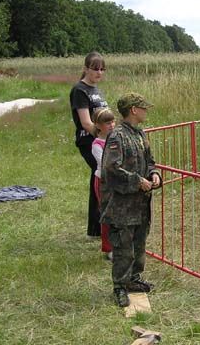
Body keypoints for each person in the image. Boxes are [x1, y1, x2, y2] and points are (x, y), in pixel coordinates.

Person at [100, 93, 161, 308]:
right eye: (143, 108)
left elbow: (150, 161)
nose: (146, 111)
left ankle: (134, 278)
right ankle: (119, 286)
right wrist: (137, 181)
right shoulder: (117, 136)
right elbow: (111, 169)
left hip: (141, 203)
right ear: (134, 110)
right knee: (123, 247)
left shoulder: (140, 133)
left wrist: (154, 174)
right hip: (122, 206)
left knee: (139, 243)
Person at [69, 51, 109, 239]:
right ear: (86, 69)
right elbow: (86, 122)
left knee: (100, 176)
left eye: (102, 69)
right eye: (95, 69)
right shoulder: (80, 90)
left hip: (102, 139)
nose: (99, 72)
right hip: (89, 141)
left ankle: (97, 227)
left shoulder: (97, 90)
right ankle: (97, 227)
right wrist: (103, 137)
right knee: (100, 175)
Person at [91, 108, 116, 261]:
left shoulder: (116, 139)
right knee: (107, 214)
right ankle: (109, 248)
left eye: (113, 121)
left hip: (118, 181)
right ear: (98, 125)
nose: (112, 125)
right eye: (107, 123)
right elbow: (106, 164)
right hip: (104, 182)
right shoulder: (97, 144)